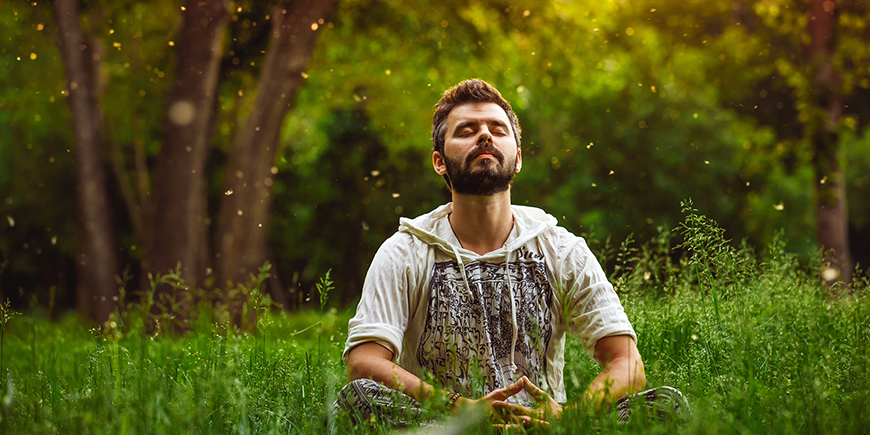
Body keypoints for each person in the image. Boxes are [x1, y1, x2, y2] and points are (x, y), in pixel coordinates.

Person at [333, 79, 686, 429]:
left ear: (517, 158)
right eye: (467, 130)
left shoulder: (562, 250)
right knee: (357, 399)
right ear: (440, 162)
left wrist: (569, 418)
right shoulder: (405, 251)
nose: (484, 136)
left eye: (497, 129)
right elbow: (364, 362)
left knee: (666, 405)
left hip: (544, 428)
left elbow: (627, 362)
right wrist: (460, 410)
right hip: (446, 426)